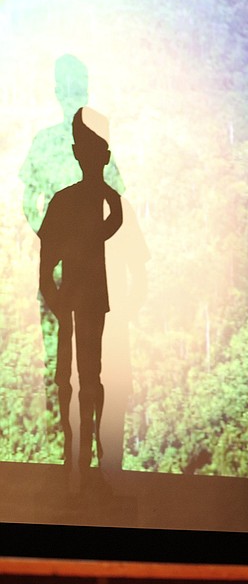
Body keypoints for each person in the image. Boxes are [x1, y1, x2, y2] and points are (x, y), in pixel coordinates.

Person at [38, 107, 123, 474]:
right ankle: (72, 443)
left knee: (89, 374)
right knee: (69, 376)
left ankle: (84, 445)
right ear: (77, 153)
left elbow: (109, 226)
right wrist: (54, 298)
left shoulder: (99, 200)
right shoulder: (67, 200)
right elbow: (47, 259)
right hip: (72, 298)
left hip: (87, 299)